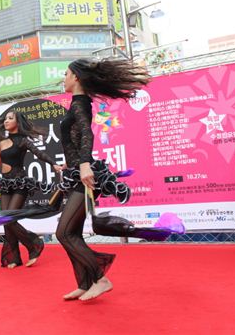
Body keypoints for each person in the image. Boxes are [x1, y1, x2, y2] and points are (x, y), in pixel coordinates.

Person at [56, 58, 150, 301]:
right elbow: (76, 138)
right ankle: (85, 283)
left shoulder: (80, 103)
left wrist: (84, 164)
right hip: (77, 170)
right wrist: (71, 162)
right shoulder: (77, 103)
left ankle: (100, 277)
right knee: (72, 233)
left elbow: (86, 133)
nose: (63, 78)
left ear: (76, 77)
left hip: (83, 175)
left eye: (66, 73)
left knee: (64, 233)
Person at [0, 110, 62, 268]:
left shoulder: (23, 141)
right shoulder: (2, 142)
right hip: (5, 183)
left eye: (10, 118)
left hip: (20, 183)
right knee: (5, 220)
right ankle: (14, 257)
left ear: (18, 122)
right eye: (5, 119)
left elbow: (39, 153)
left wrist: (53, 164)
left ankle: (34, 243)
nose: (6, 121)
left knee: (9, 218)